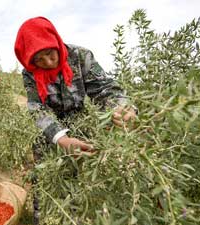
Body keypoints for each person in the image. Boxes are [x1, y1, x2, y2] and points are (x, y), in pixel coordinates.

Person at [14, 16, 137, 224]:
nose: (48, 62)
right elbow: (37, 109)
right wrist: (60, 139)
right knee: (44, 184)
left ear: (55, 42)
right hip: (49, 134)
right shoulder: (30, 73)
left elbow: (106, 89)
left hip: (79, 127)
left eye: (49, 53)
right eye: (39, 60)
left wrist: (121, 107)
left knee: (81, 179)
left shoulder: (81, 56)